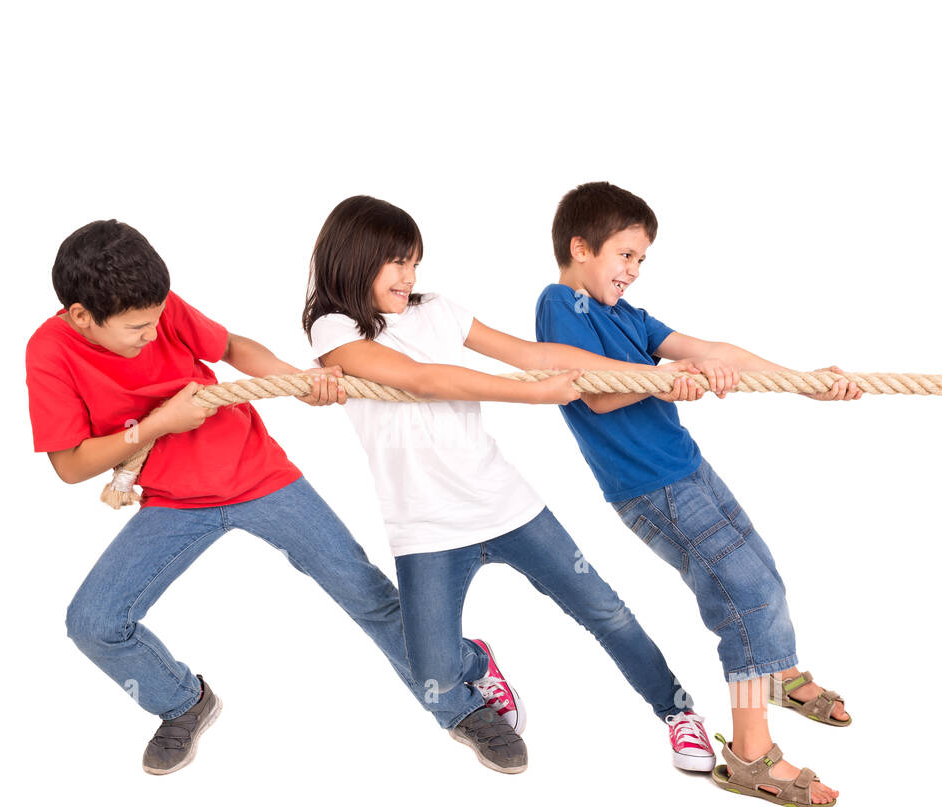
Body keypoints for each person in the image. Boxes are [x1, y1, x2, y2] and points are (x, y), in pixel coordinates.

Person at [25, 219, 500, 776]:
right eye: (136, 329)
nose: (152, 336)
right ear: (82, 316)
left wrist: (296, 381)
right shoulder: (48, 353)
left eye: (156, 322)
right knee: (93, 621)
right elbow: (70, 465)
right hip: (174, 501)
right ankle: (182, 702)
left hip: (259, 475)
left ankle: (461, 701)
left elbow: (229, 347)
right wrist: (157, 425)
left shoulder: (154, 303)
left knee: (368, 596)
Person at [303, 195, 715, 776]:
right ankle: (476, 664)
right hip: (426, 528)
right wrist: (531, 393)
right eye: (396, 262)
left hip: (506, 505)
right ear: (354, 258)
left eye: (414, 262)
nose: (409, 276)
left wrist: (650, 376)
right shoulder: (334, 328)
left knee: (604, 611)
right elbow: (424, 379)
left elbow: (529, 353)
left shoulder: (438, 308)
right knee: (434, 676)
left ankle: (676, 712)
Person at [535, 181, 861, 807]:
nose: (632, 271)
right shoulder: (560, 304)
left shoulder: (628, 316)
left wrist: (803, 382)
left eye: (641, 259)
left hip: (687, 469)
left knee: (761, 568)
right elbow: (595, 391)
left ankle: (776, 673)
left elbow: (711, 351)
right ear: (580, 247)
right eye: (623, 255)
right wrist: (663, 380)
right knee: (745, 595)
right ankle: (749, 755)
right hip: (650, 490)